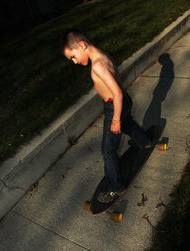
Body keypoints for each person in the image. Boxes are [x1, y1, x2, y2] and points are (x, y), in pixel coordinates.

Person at [62, 29, 151, 203]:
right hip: (123, 101)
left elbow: (116, 93)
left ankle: (116, 188)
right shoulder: (102, 54)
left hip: (115, 104)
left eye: (73, 57)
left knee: (108, 150)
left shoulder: (97, 65)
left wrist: (115, 119)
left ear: (81, 45)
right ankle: (144, 141)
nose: (74, 62)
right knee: (127, 123)